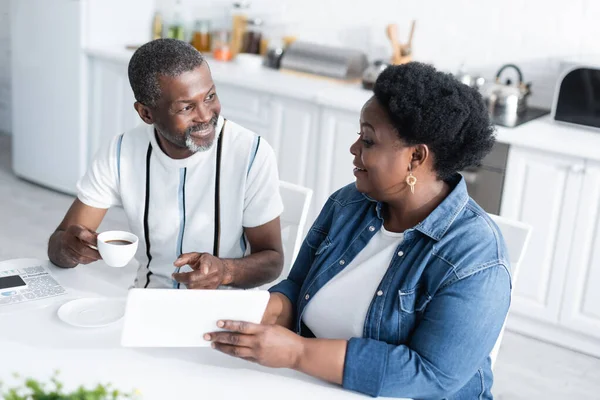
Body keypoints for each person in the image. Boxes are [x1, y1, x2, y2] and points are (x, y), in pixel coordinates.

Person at [205, 62, 510, 399]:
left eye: (368, 140)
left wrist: (297, 353)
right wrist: (263, 313)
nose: (354, 150)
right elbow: (298, 286)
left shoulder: (476, 256)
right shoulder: (349, 204)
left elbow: (429, 375)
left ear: (415, 158)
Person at [48, 39, 284, 290]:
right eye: (186, 107)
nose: (205, 116)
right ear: (146, 114)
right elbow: (58, 246)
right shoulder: (119, 153)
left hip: (226, 309)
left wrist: (225, 271)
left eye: (210, 96)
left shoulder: (251, 153)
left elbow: (272, 261)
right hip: (148, 302)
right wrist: (70, 249)